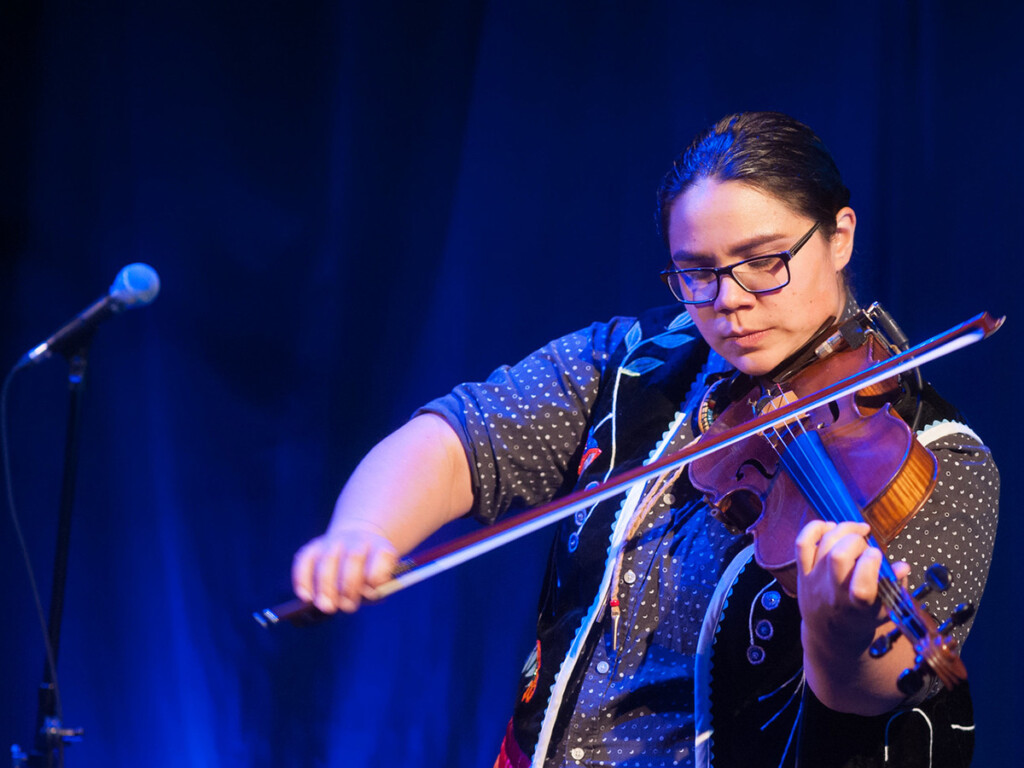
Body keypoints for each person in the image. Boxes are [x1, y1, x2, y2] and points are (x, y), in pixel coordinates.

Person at [291, 112, 999, 767]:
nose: (729, 300)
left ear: (839, 235)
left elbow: (873, 694)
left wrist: (841, 631)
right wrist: (363, 529)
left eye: (764, 261)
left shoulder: (937, 455)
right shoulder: (633, 365)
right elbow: (458, 441)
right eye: (697, 271)